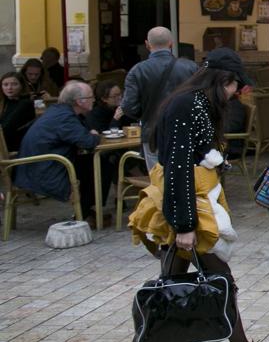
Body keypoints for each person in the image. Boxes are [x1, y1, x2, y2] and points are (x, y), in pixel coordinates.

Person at [127, 48, 269, 342]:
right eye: (233, 86)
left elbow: (193, 158)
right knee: (218, 280)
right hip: (187, 210)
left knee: (172, 285)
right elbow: (178, 167)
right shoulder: (188, 105)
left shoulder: (195, 103)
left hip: (188, 205)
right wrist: (185, 226)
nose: (235, 94)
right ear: (222, 80)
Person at [13, 81, 105, 224]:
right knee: (100, 164)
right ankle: (86, 213)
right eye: (90, 97)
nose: (94, 100)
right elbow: (88, 142)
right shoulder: (65, 117)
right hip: (42, 171)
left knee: (92, 162)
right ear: (79, 101)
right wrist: (94, 135)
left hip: (36, 166)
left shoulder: (59, 111)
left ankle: (87, 211)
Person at [121, 26, 198, 170]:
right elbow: (202, 100)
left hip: (152, 134)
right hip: (186, 132)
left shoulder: (137, 71)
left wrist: (144, 114)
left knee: (158, 182)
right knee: (186, 180)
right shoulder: (191, 68)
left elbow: (128, 106)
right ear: (171, 43)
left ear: (147, 44)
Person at [0, 72, 36, 153]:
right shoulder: (4, 102)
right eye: (5, 85)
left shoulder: (25, 103)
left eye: (14, 84)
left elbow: (7, 128)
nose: (9, 88)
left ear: (21, 86)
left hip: (15, 149)